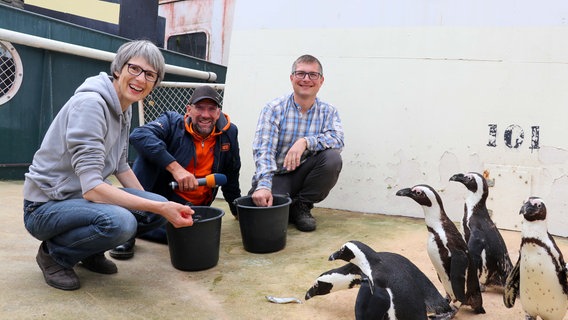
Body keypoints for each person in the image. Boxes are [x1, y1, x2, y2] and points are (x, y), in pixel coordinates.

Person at [22, 40, 195, 291]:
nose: (140, 79)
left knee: (149, 210)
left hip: (79, 202)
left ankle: (88, 250)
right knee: (121, 222)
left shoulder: (124, 107)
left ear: (155, 83)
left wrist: (156, 205)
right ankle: (55, 255)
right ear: (118, 69)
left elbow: (121, 166)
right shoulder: (92, 104)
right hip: (44, 207)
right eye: (134, 69)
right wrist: (160, 206)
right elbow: (93, 188)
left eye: (149, 74)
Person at [109, 85, 241, 259]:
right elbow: (138, 135)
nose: (205, 115)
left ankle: (140, 226)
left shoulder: (229, 133)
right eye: (199, 108)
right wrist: (176, 169)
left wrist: (237, 209)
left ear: (218, 113)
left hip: (193, 208)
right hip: (165, 198)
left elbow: (231, 172)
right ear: (189, 110)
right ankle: (130, 228)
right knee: (148, 152)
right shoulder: (172, 122)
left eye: (211, 109)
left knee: (193, 234)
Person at [250, 54, 344, 232]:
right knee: (265, 218)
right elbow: (264, 149)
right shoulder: (274, 109)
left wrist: (305, 142)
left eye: (312, 75)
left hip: (304, 174)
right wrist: (263, 185)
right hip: (277, 176)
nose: (306, 79)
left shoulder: (328, 112)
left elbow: (338, 141)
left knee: (332, 158)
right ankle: (282, 202)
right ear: (292, 77)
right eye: (300, 73)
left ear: (321, 80)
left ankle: (302, 206)